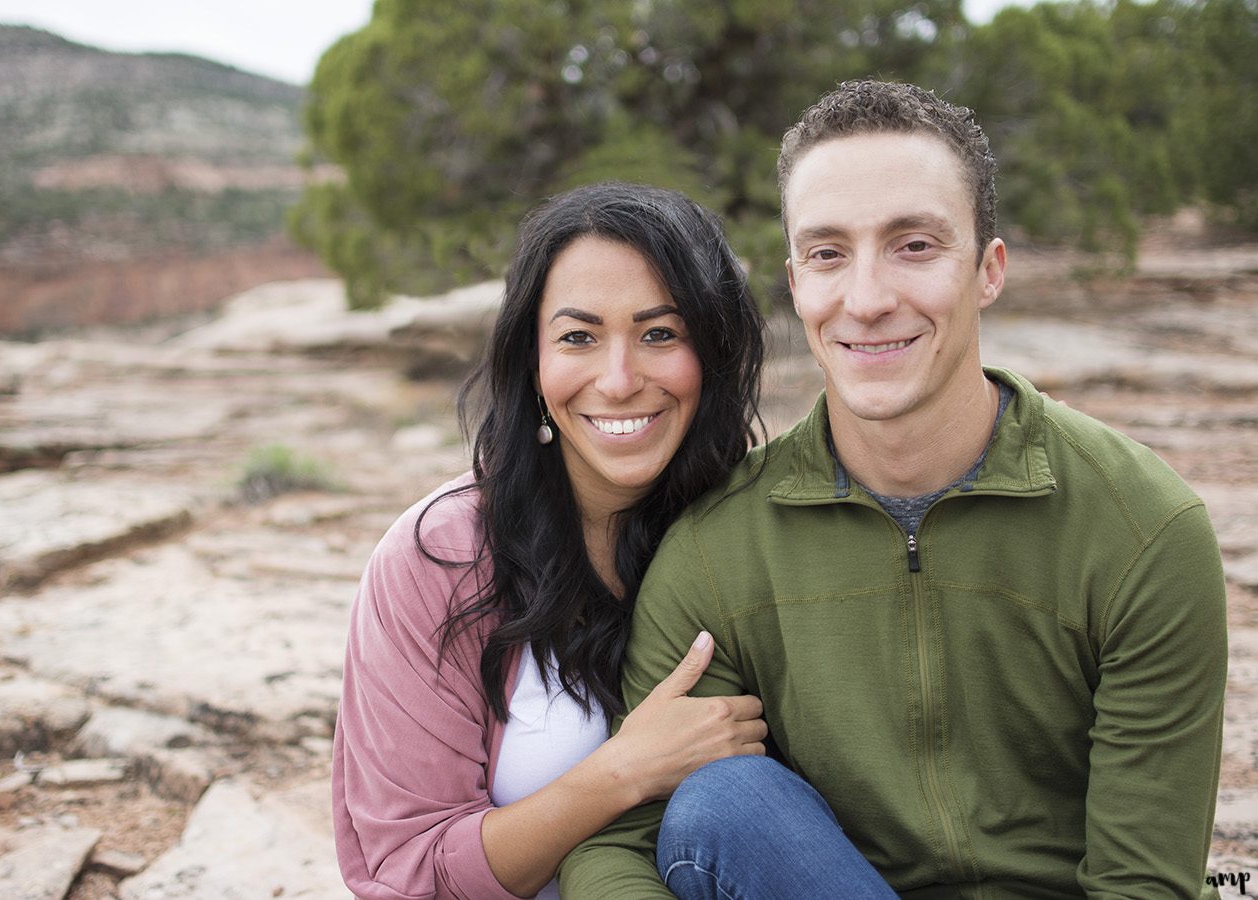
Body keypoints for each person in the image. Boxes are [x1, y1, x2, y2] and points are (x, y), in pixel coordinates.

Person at [559, 81, 1228, 898]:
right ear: (796, 282)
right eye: (828, 253)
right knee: (726, 803)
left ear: (989, 270)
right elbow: (614, 851)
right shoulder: (714, 549)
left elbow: (1143, 885)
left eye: (914, 245)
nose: (868, 299)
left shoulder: (1142, 530)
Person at [331, 181, 771, 899]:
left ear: (712, 354)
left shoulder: (751, 528)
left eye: (661, 333)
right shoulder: (437, 558)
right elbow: (408, 873)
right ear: (532, 364)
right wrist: (621, 771)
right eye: (578, 337)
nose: (620, 379)